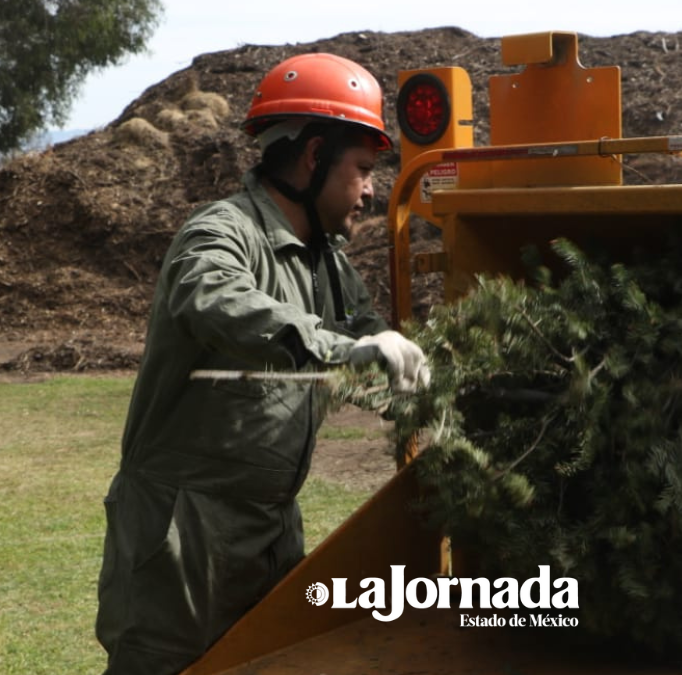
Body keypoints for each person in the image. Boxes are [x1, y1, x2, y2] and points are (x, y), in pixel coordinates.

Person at [94, 53, 430, 675]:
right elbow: (215, 298)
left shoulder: (326, 261)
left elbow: (365, 335)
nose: (371, 189)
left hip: (271, 533)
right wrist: (339, 349)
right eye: (361, 169)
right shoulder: (219, 232)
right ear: (314, 156)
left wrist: (421, 373)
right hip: (183, 538)